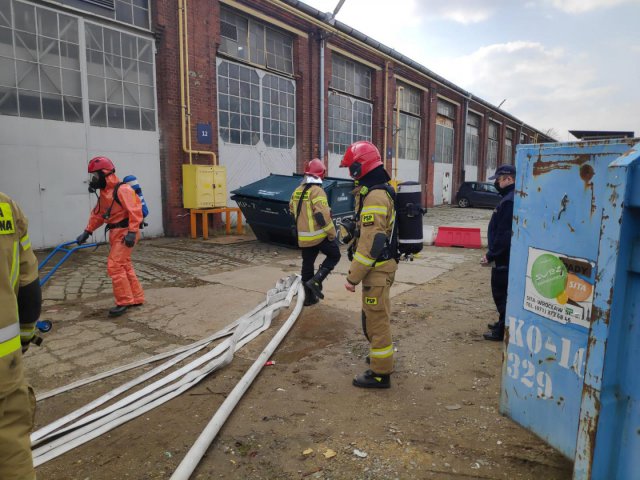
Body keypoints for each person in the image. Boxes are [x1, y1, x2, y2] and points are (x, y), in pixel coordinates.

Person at [340, 141, 398, 389]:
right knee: (374, 317)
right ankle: (379, 358)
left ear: (359, 166)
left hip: (377, 269)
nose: (349, 173)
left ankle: (379, 374)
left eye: (350, 167)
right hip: (381, 268)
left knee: (376, 320)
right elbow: (370, 231)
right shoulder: (375, 190)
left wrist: (352, 277)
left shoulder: (374, 195)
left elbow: (372, 242)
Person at [0, 192, 41, 480]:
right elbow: (28, 284)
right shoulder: (5, 205)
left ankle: (130, 299)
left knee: (118, 267)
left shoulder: (120, 191)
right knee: (12, 449)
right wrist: (25, 335)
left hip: (121, 234)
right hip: (5, 364)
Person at [76, 156, 144, 317]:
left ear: (105, 174)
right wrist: (87, 231)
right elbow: (99, 215)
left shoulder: (123, 190)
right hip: (116, 232)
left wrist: (132, 232)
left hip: (126, 231)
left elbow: (136, 211)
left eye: (95, 176)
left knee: (114, 265)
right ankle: (136, 297)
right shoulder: (104, 193)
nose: (93, 180)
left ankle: (124, 301)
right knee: (124, 265)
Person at [289, 159, 341, 306]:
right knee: (335, 255)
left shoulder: (297, 190)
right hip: (318, 236)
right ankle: (317, 280)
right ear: (321, 175)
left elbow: (292, 210)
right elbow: (322, 217)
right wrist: (332, 234)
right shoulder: (318, 191)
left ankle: (308, 298)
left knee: (307, 264)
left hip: (303, 237)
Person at [481, 164, 516, 341]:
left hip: (504, 258)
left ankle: (502, 330)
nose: (496, 183)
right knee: (502, 294)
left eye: (499, 179)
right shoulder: (508, 198)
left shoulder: (509, 201)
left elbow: (504, 234)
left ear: (509, 179)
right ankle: (502, 322)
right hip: (503, 256)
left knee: (501, 294)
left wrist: (491, 254)